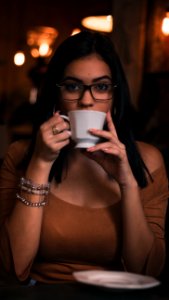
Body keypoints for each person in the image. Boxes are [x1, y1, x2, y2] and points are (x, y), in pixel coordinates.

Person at [0, 30, 168, 285]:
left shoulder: (147, 160)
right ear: (57, 95)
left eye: (101, 87)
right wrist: (41, 162)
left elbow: (146, 273)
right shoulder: (22, 154)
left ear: (114, 96)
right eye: (72, 86)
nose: (86, 100)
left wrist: (127, 184)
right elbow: (13, 268)